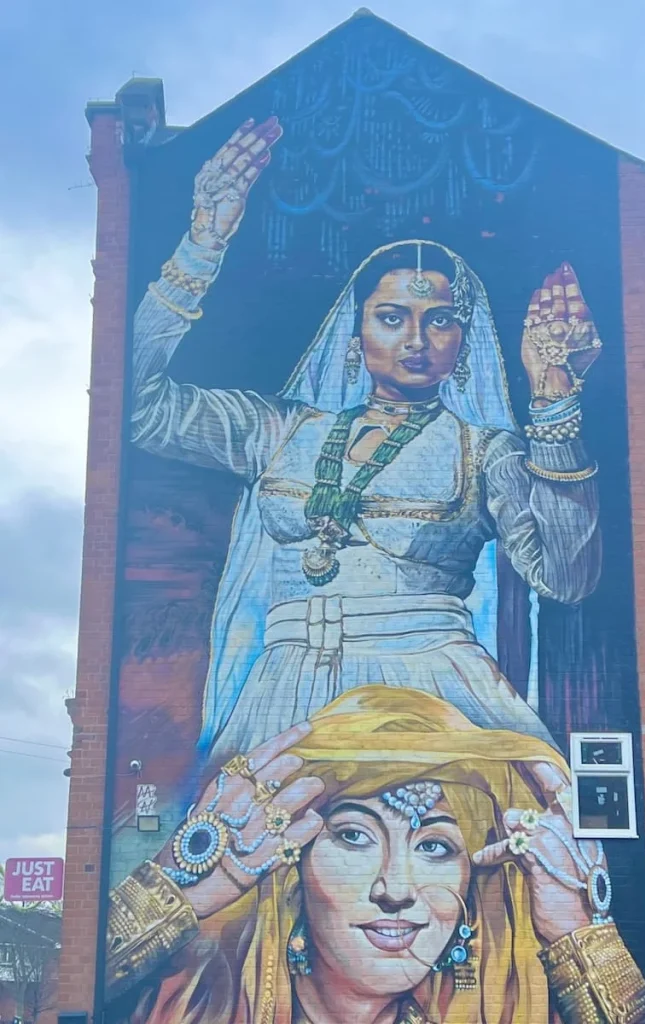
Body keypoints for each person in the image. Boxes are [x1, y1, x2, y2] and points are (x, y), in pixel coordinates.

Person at [131, 116, 602, 758]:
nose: (415, 340)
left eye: (438, 322)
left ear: (462, 345)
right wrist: (201, 246)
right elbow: (138, 407)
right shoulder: (280, 428)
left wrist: (553, 403)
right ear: (355, 337)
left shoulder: (484, 451)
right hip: (285, 690)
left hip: (433, 689)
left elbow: (567, 579)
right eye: (391, 318)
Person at [105, 687, 645, 1023]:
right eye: (353, 837)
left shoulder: (503, 1009)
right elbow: (50, 992)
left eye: (436, 846)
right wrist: (170, 896)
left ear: (470, 884)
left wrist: (576, 930)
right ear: (293, 867)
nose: (395, 889)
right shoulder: (191, 1006)